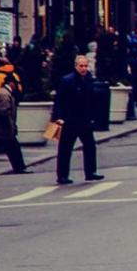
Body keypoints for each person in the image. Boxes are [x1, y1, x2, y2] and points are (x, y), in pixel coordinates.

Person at [51, 54, 102, 185]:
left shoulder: (89, 79)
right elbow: (59, 100)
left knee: (90, 145)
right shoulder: (67, 80)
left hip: (84, 119)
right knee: (65, 148)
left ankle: (90, 172)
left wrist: (92, 117)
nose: (84, 68)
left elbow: (92, 100)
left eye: (85, 66)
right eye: (81, 66)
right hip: (70, 119)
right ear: (76, 66)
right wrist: (58, 117)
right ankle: (62, 175)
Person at [0, 62, 30, 175]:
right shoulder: (6, 95)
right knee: (10, 149)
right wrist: (11, 125)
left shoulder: (0, 92)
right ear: (11, 83)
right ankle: (19, 168)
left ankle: (19, 167)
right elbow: (4, 112)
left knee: (3, 150)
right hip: (3, 129)